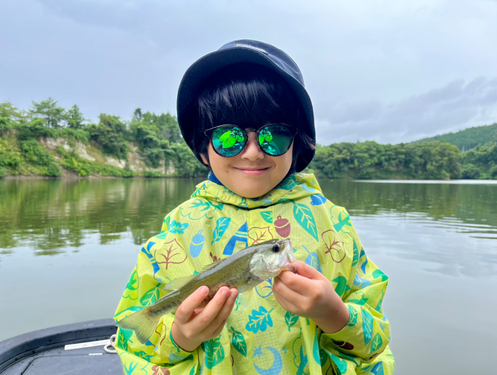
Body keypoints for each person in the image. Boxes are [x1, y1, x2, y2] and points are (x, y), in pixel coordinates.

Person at [114, 39, 394, 375]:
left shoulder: (334, 223)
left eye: (273, 135)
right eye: (228, 138)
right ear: (203, 149)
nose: (252, 152)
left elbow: (375, 346)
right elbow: (135, 351)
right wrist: (180, 337)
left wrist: (334, 315)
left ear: (297, 144)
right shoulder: (176, 231)